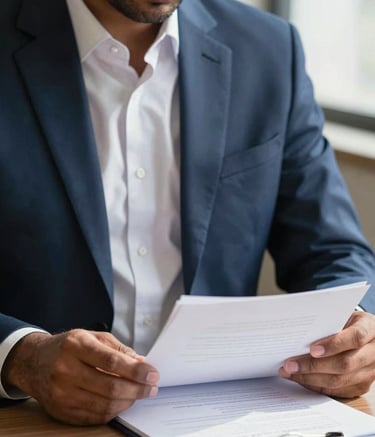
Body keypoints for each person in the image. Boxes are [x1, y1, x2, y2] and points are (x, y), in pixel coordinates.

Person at [1, 0, 375, 427]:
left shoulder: (268, 49)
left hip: (226, 420)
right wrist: (20, 357)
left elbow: (333, 248)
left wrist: (355, 329)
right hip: (30, 419)